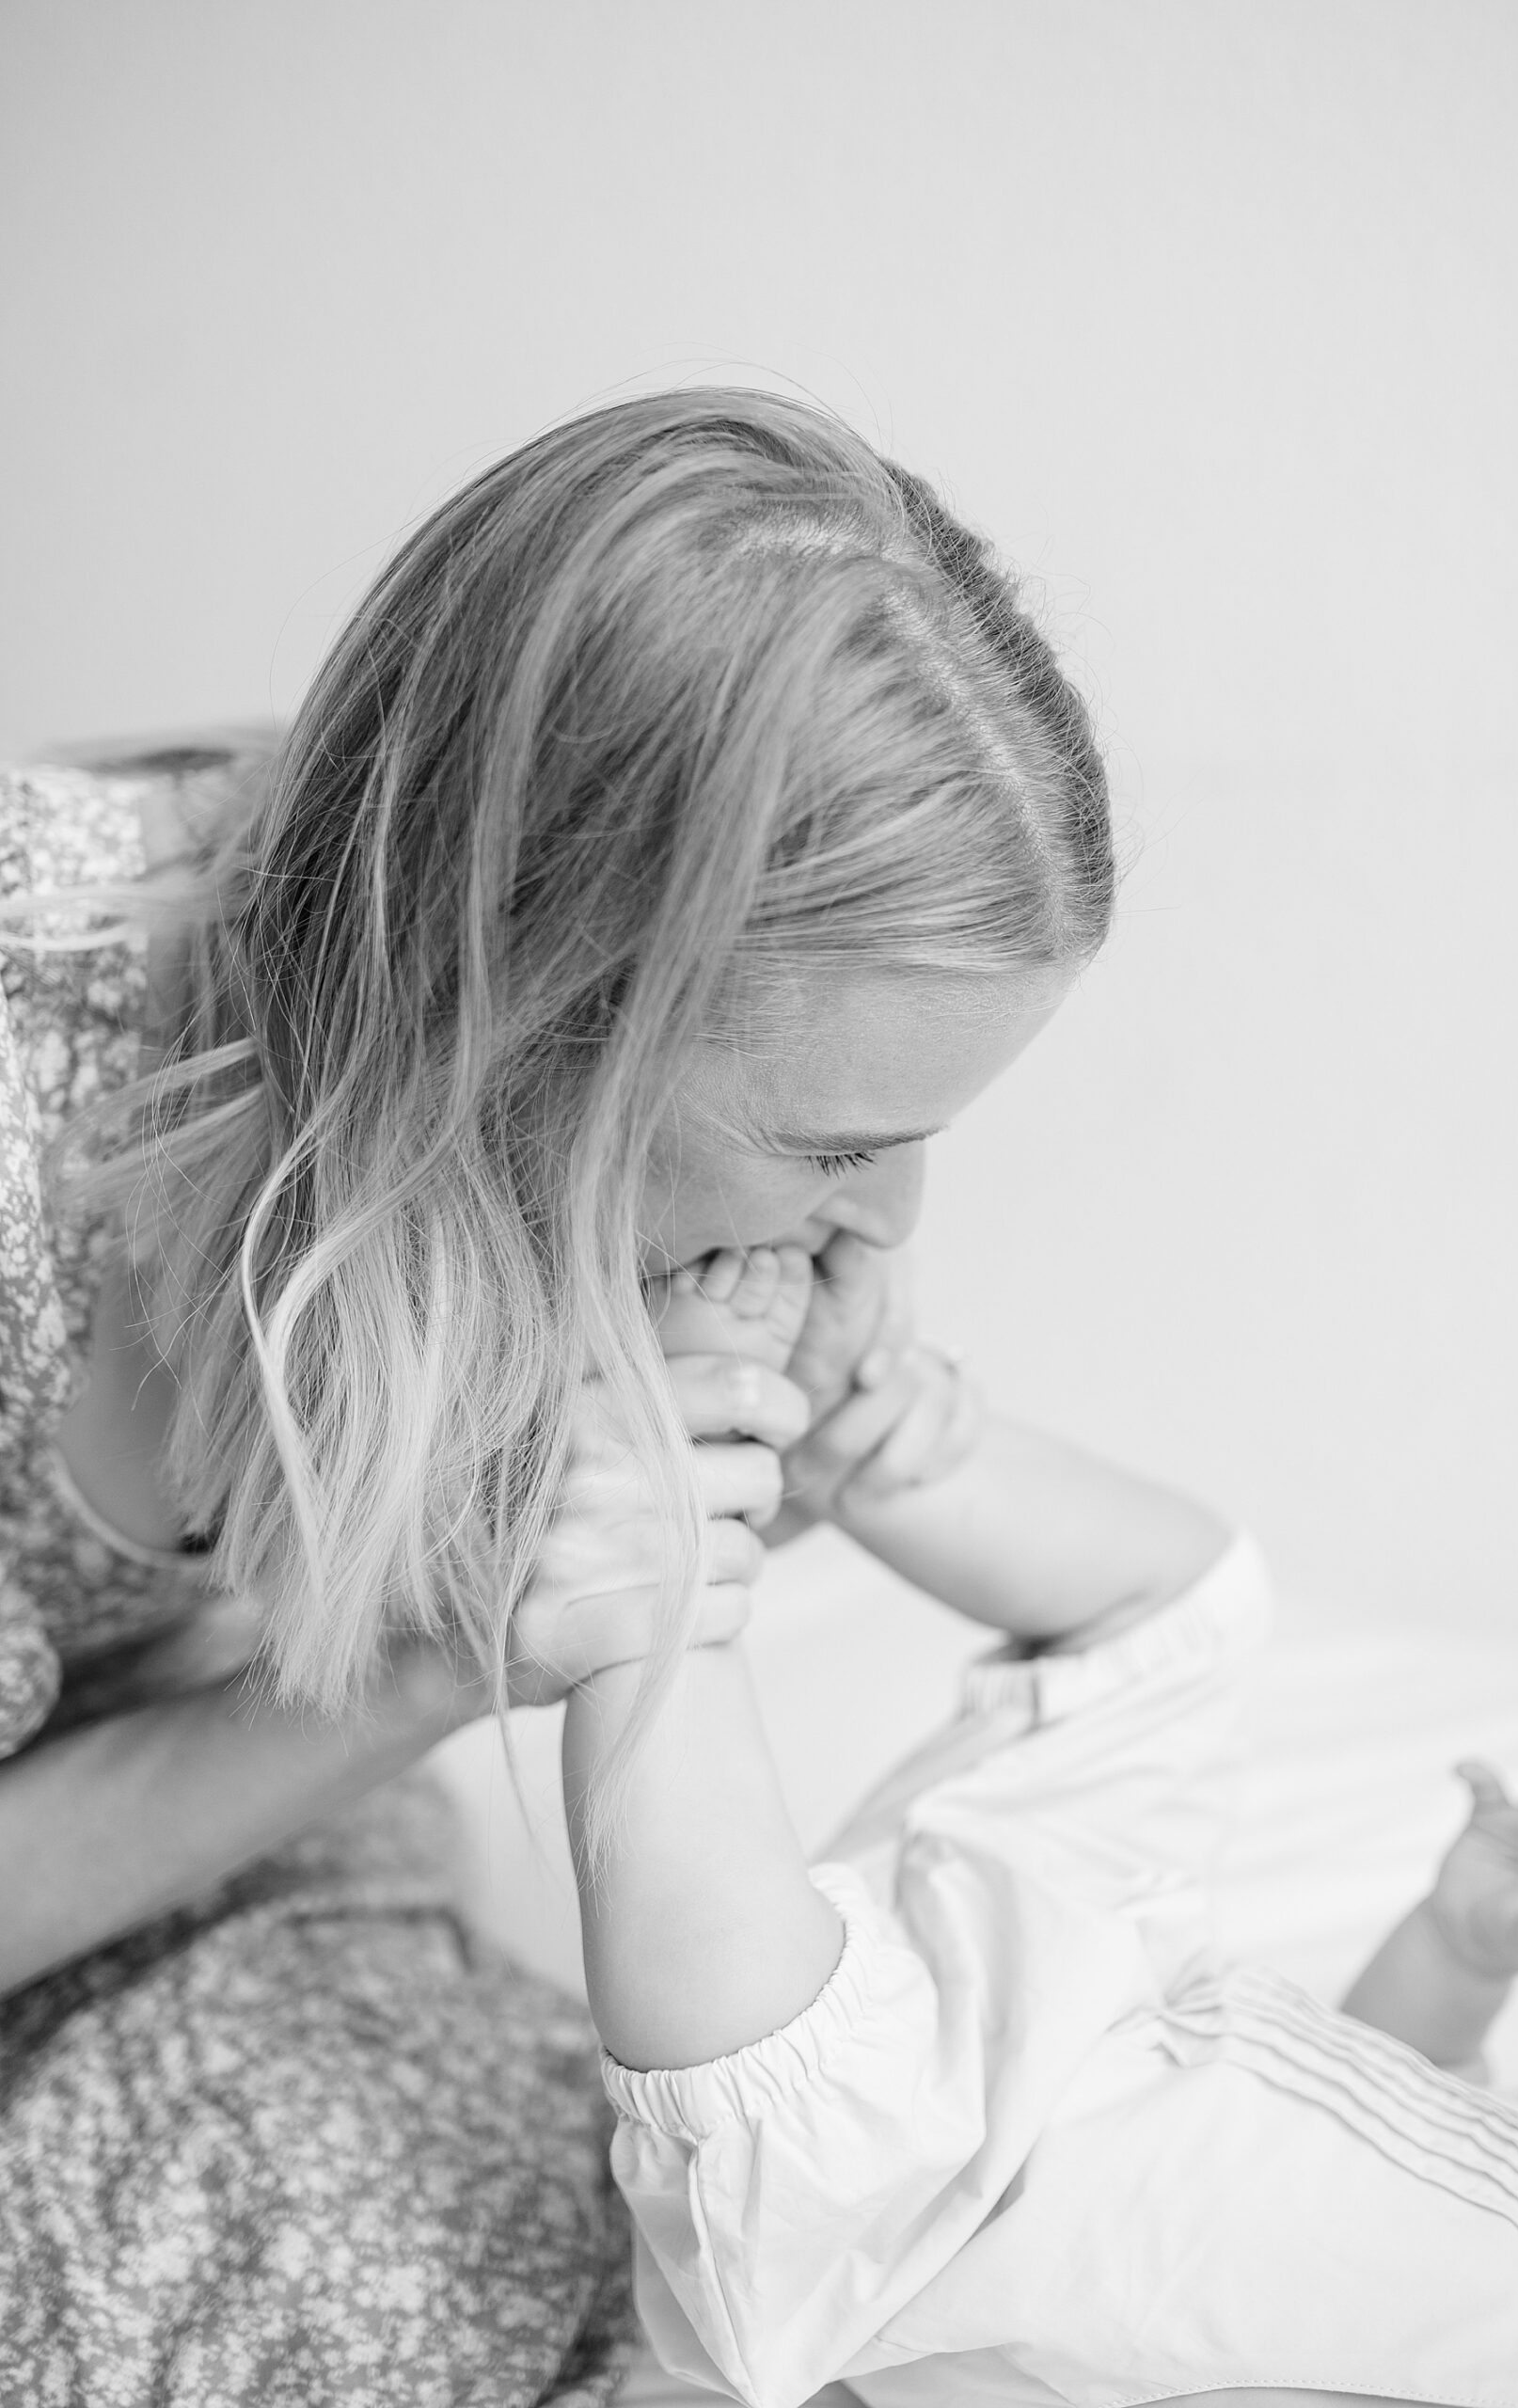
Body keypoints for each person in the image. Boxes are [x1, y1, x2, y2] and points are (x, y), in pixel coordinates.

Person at [0, 388, 1118, 2403]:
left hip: (205, 1836)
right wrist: (431, 1650)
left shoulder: (416, 1046)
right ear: (533, 1023)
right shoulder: (34, 1149)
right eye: (834, 1138)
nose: (894, 1216)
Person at [564, 1238, 1518, 2408]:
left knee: (798, 2106)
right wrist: (1459, 1952)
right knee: (1178, 1609)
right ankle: (850, 1428)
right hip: (1123, 2008)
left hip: (991, 2229)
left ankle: (647, 1556)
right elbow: (1407, 2133)